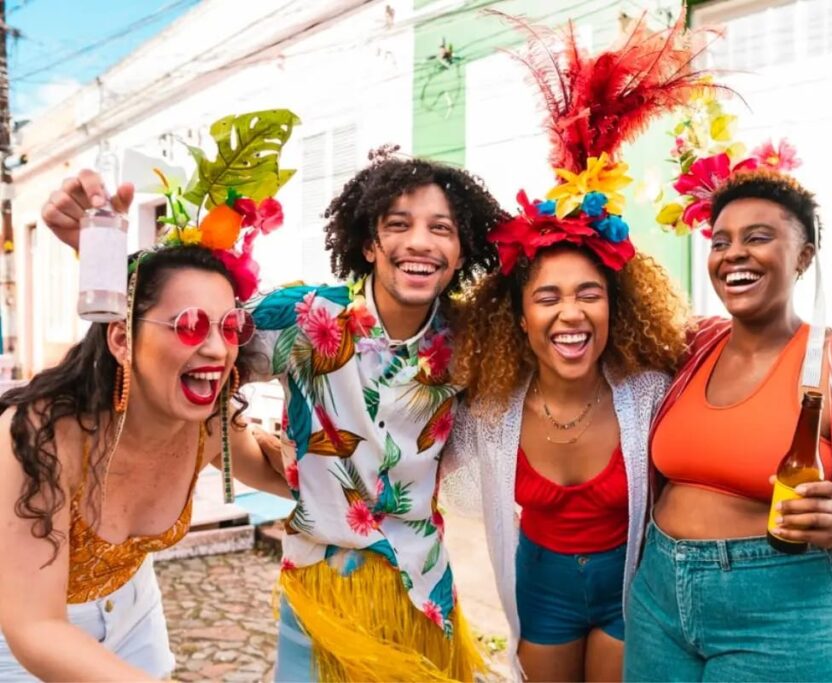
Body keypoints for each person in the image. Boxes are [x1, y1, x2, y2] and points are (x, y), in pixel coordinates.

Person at [40, 147, 508, 680]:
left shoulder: (475, 342)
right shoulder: (305, 318)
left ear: (463, 246)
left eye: (441, 228)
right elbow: (177, 332)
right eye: (398, 224)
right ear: (368, 243)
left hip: (425, 590)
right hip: (320, 590)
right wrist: (98, 255)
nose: (420, 241)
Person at [623, 129, 832, 681]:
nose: (734, 254)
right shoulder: (688, 347)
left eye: (757, 237)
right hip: (658, 598)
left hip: (780, 613)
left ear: (802, 256)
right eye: (721, 240)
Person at [443, 12, 707, 682]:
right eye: (548, 296)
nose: (571, 312)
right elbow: (403, 446)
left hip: (631, 586)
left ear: (616, 307)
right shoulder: (492, 409)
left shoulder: (652, 390)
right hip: (541, 587)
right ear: (520, 318)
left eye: (589, 292)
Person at [0, 245, 291, 681]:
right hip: (23, 638)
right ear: (121, 338)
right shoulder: (39, 435)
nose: (217, 349)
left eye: (230, 327)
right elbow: (36, 626)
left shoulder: (210, 423)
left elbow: (283, 477)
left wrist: (311, 385)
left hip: (135, 612)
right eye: (189, 325)